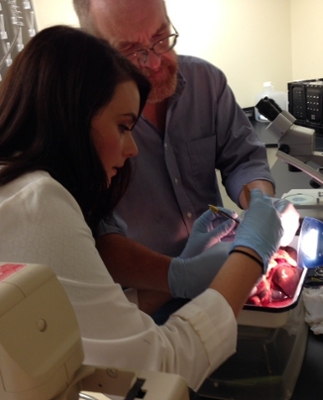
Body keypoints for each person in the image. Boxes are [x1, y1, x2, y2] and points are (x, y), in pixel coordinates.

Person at [0, 24, 285, 393]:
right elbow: (160, 370)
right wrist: (251, 252)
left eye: (161, 37)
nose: (132, 149)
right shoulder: (37, 204)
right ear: (69, 116)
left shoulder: (15, 186)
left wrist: (177, 275)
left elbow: (85, 327)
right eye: (122, 127)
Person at [72, 0, 300, 302]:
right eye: (130, 51)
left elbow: (243, 158)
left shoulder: (207, 83)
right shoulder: (83, 117)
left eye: (160, 37)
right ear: (97, 50)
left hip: (223, 273)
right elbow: (93, 231)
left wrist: (260, 205)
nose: (154, 63)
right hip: (143, 299)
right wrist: (178, 276)